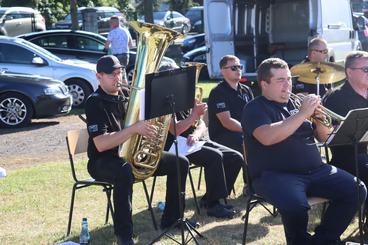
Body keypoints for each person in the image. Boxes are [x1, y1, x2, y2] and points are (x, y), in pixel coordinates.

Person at [241, 57, 366, 245]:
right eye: (280, 80)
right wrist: (302, 115)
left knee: (356, 189)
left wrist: (318, 119)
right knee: (295, 206)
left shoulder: (295, 103)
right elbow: (267, 137)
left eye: (289, 79)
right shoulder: (255, 108)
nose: (288, 85)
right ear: (264, 84)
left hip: (315, 170)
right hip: (275, 174)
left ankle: (324, 240)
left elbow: (323, 137)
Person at [85, 55, 192, 245]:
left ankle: (172, 218)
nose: (118, 78)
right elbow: (101, 143)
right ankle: (124, 236)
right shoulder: (94, 102)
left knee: (180, 162)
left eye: (119, 73)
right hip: (103, 161)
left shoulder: (127, 96)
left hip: (129, 155)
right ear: (98, 76)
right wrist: (134, 129)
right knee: (124, 171)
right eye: (112, 75)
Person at [159, 64, 243, 219]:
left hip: (194, 141)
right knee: (215, 157)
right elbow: (174, 130)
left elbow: (202, 123)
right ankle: (213, 206)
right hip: (176, 145)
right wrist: (193, 116)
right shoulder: (161, 99)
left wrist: (197, 134)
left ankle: (209, 198)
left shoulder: (184, 94)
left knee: (235, 157)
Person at [324, 51, 368, 204]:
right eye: (366, 69)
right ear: (349, 72)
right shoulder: (336, 98)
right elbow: (329, 137)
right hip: (349, 157)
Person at [207, 55, 254, 193]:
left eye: (240, 67)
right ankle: (249, 186)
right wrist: (249, 131)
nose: (238, 70)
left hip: (242, 132)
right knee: (245, 141)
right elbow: (226, 122)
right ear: (223, 71)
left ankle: (255, 184)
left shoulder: (246, 90)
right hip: (223, 135)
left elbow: (252, 114)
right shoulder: (218, 92)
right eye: (234, 67)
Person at [104, 15, 133, 84]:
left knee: (118, 74)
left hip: (117, 56)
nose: (110, 24)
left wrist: (105, 49)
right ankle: (125, 90)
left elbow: (107, 45)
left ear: (114, 23)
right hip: (126, 55)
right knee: (123, 72)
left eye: (111, 22)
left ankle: (122, 90)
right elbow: (131, 45)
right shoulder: (126, 31)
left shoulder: (112, 32)